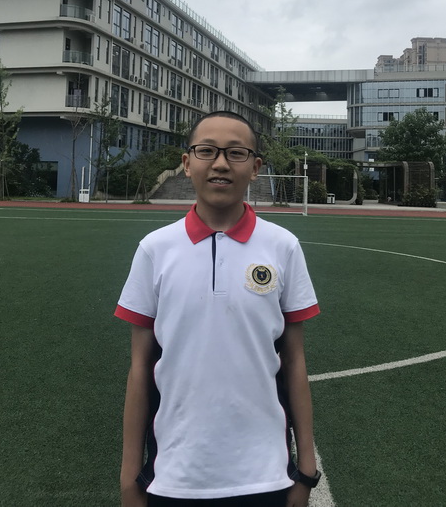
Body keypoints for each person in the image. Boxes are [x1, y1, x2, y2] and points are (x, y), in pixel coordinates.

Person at [115, 111, 321, 507]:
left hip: (266, 476)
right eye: (207, 151)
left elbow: (295, 361)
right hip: (173, 475)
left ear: (255, 167)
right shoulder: (155, 249)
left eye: (236, 153)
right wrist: (128, 478)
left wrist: (307, 469)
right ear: (187, 162)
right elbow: (140, 368)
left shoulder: (283, 247)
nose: (221, 163)